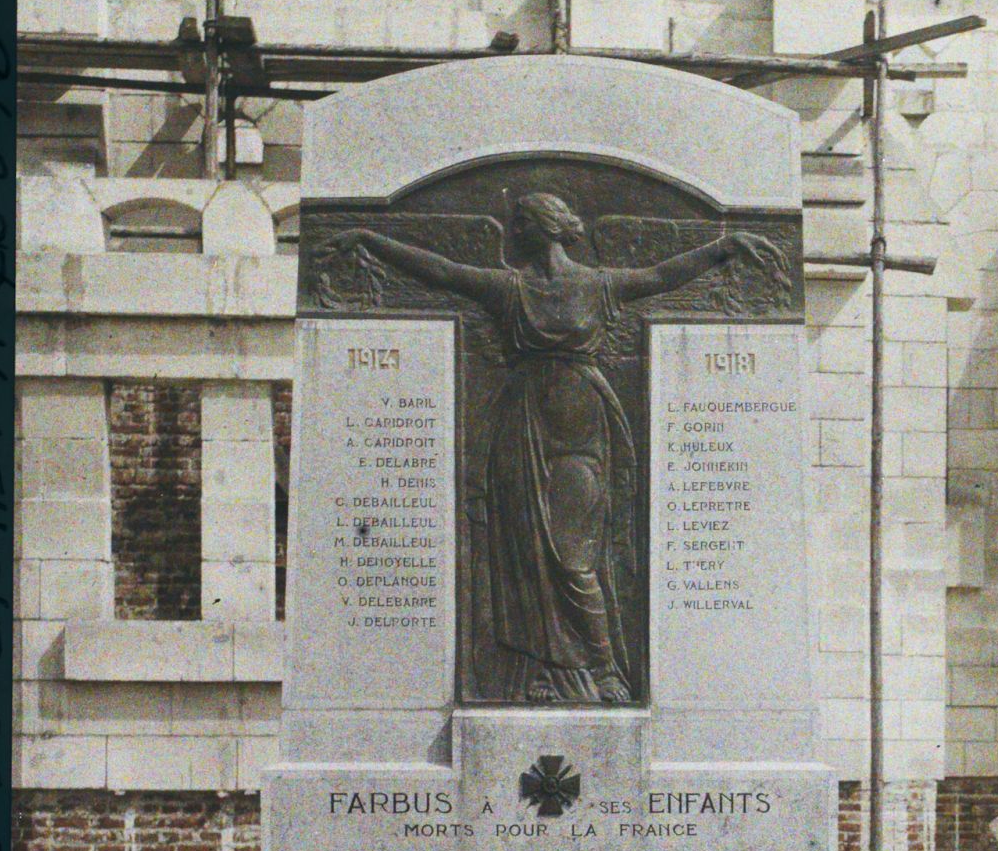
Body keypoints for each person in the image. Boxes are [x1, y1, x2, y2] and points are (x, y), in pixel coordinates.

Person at [330, 190, 787, 705]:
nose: (512, 232)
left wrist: (722, 249)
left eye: (519, 222)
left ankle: (605, 666)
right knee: (521, 554)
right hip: (518, 430)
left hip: (581, 433)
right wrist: (372, 240)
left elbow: (661, 277)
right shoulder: (508, 288)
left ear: (541, 228)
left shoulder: (598, 285)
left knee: (574, 557)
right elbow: (441, 272)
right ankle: (539, 675)